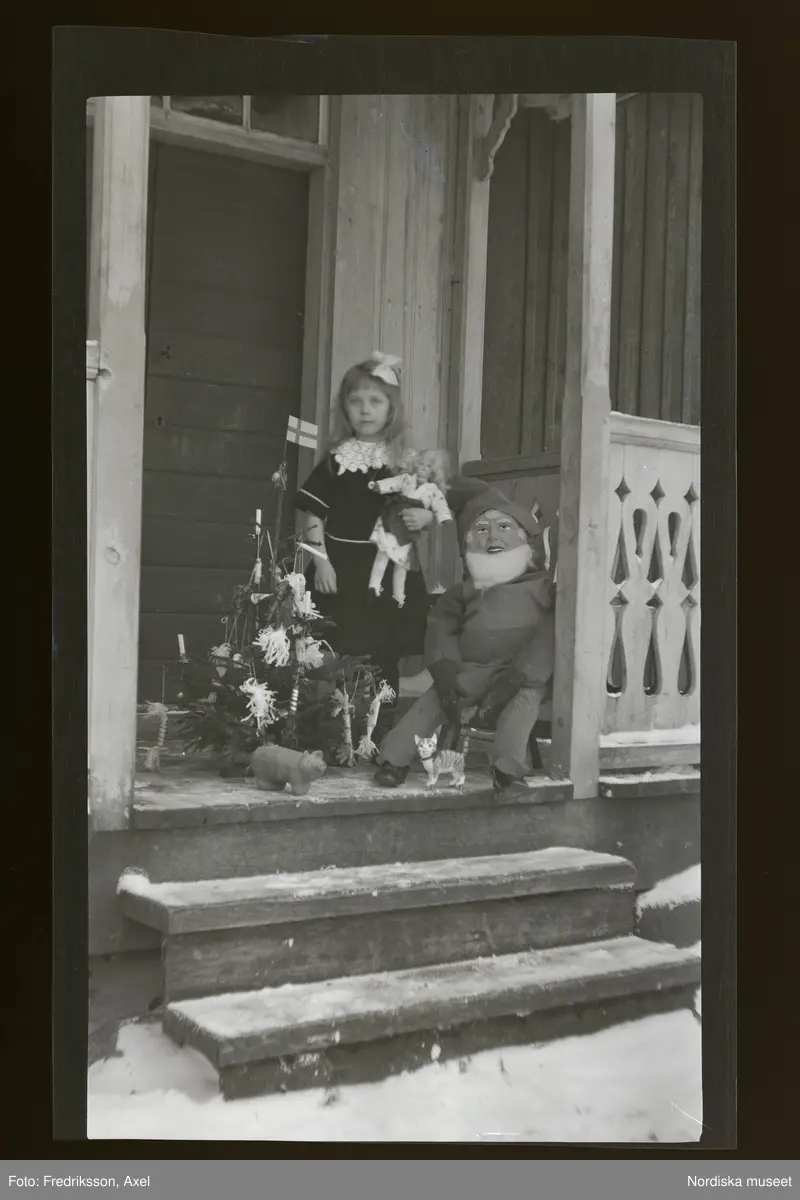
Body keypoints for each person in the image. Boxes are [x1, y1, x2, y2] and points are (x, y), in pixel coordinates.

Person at [373, 484, 556, 796]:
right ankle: (393, 760)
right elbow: (441, 626)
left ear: (528, 541)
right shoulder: (466, 592)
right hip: (472, 670)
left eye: (504, 527)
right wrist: (444, 666)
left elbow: (554, 630)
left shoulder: (543, 589)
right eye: (481, 529)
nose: (492, 536)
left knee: (522, 705)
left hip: (521, 674)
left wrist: (527, 671)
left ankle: (508, 771)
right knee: (434, 700)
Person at [292, 353, 433, 705]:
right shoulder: (338, 460)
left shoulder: (403, 460)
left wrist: (424, 519)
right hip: (343, 568)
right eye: (356, 401)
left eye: (375, 401)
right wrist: (321, 562)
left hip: (390, 569)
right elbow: (313, 516)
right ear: (345, 408)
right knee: (342, 649)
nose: (365, 410)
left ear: (391, 409)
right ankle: (342, 723)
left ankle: (381, 726)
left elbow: (424, 505)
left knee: (385, 651)